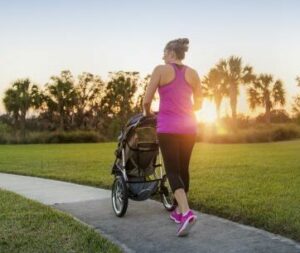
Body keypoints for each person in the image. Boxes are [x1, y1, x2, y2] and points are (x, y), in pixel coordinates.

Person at [142, 38, 202, 236]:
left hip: (168, 128)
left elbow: (146, 100)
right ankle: (177, 211)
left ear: (170, 52)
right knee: (183, 169)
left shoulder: (160, 69)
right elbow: (199, 104)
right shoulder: (193, 73)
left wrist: (147, 113)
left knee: (173, 170)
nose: (162, 56)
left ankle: (186, 213)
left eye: (164, 52)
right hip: (189, 128)